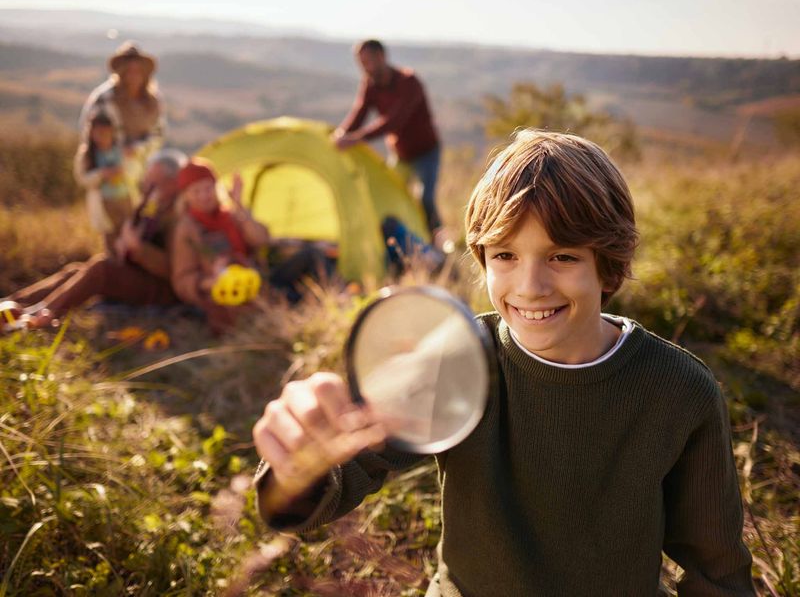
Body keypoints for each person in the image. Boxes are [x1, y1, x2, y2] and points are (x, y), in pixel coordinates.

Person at [251, 130, 755, 596]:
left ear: (609, 264)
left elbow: (717, 569)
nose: (529, 286)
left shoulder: (679, 391)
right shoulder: (456, 358)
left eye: (562, 256)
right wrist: (298, 464)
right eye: (505, 256)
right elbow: (327, 488)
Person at [0, 149, 187, 330]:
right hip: (141, 275)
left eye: (153, 181)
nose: (146, 184)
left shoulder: (179, 217)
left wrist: (139, 249)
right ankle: (13, 302)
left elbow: (175, 271)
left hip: (161, 289)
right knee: (76, 270)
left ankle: (41, 315)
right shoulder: (152, 208)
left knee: (101, 268)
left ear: (173, 183)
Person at [333, 39, 442, 237]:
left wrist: (356, 138)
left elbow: (395, 121)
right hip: (401, 153)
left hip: (426, 151)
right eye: (361, 62)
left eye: (367, 61)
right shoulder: (370, 84)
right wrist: (340, 134)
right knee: (388, 195)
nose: (364, 67)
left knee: (425, 198)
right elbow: (360, 113)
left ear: (381, 56)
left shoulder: (408, 81)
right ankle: (403, 236)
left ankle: (436, 236)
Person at [170, 159, 271, 334]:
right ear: (186, 195)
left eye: (208, 188)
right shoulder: (187, 229)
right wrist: (212, 282)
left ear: (216, 188)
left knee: (309, 257)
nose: (204, 196)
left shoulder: (231, 215)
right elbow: (182, 281)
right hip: (224, 297)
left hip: (254, 282)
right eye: (196, 191)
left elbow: (261, 240)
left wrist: (239, 207)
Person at [79, 41, 165, 203]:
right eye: (129, 71)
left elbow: (158, 134)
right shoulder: (104, 98)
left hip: (142, 168)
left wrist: (139, 149)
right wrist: (116, 152)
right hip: (108, 169)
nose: (134, 75)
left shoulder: (153, 100)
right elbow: (88, 132)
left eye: (138, 71)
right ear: (121, 72)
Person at [74, 109, 132, 252]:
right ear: (91, 133)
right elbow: (81, 179)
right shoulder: (87, 154)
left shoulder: (120, 150)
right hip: (104, 203)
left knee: (128, 235)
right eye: (99, 133)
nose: (103, 137)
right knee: (110, 240)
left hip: (124, 199)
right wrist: (101, 174)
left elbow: (132, 173)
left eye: (106, 132)